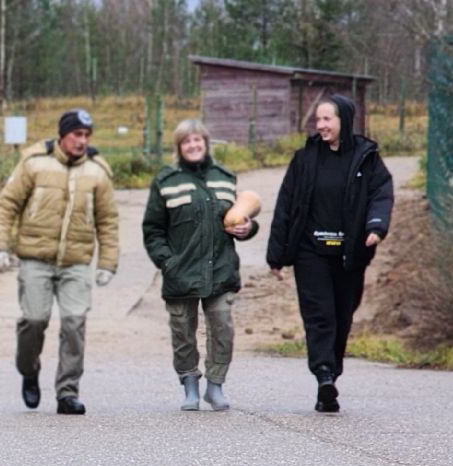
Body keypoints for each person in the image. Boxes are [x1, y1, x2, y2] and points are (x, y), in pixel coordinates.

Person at [265, 93, 394, 413]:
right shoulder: (305, 159)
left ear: (344, 121)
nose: (320, 125)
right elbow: (285, 206)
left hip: (351, 252)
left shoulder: (367, 157)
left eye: (327, 119)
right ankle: (323, 375)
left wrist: (376, 227)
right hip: (311, 252)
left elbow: (382, 194)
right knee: (319, 315)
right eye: (318, 119)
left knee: (342, 315)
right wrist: (276, 254)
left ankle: (331, 374)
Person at [0, 108, 119, 415]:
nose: (82, 141)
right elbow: (7, 205)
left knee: (74, 322)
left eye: (87, 136)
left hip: (76, 261)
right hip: (36, 258)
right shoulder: (34, 163)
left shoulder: (97, 171)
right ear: (63, 135)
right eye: (76, 134)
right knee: (34, 320)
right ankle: (29, 369)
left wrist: (107, 263)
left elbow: (108, 220)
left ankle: (67, 392)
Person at [142, 118, 258, 412]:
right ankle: (189, 384)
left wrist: (249, 228)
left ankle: (215, 386)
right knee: (182, 332)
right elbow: (153, 229)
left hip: (220, 268)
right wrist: (166, 262)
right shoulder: (166, 181)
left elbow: (239, 219)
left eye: (198, 140)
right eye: (186, 141)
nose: (193, 145)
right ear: (179, 147)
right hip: (180, 272)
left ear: (206, 144)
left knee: (222, 328)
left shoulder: (224, 177)